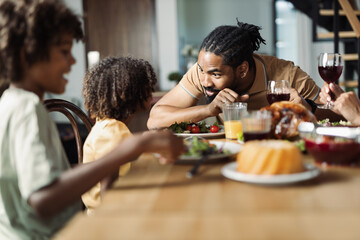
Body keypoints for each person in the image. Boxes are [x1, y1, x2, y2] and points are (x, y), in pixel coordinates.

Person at [0, 0, 184, 239]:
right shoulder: (26, 107)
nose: (73, 61)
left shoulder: (10, 102)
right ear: (27, 55)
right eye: (64, 52)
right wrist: (134, 145)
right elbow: (42, 198)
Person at [147, 20, 321, 129]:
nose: (205, 81)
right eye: (201, 70)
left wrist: (308, 109)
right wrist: (208, 110)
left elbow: (341, 115)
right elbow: (155, 119)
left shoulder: (288, 75)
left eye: (215, 75)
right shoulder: (204, 72)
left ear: (242, 70)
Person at [81, 56, 158, 214]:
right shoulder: (112, 130)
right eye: (148, 87)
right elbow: (107, 189)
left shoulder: (107, 125)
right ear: (129, 92)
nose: (152, 93)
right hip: (107, 216)